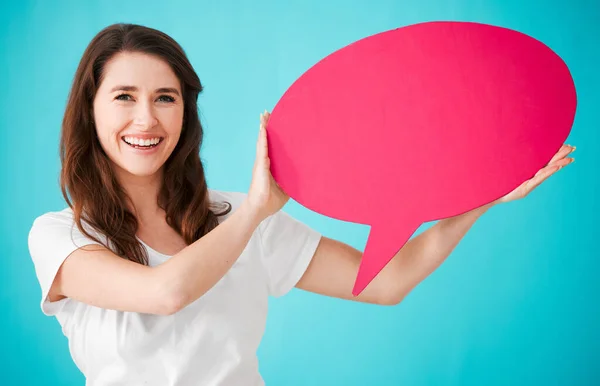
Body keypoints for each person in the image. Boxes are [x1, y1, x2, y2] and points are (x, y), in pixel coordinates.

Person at [27, 23, 575, 386]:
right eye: (124, 97)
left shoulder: (242, 217)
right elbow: (166, 293)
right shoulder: (61, 237)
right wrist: (256, 212)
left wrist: (481, 196)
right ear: (90, 110)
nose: (145, 120)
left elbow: (388, 282)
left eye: (164, 98)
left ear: (185, 114)